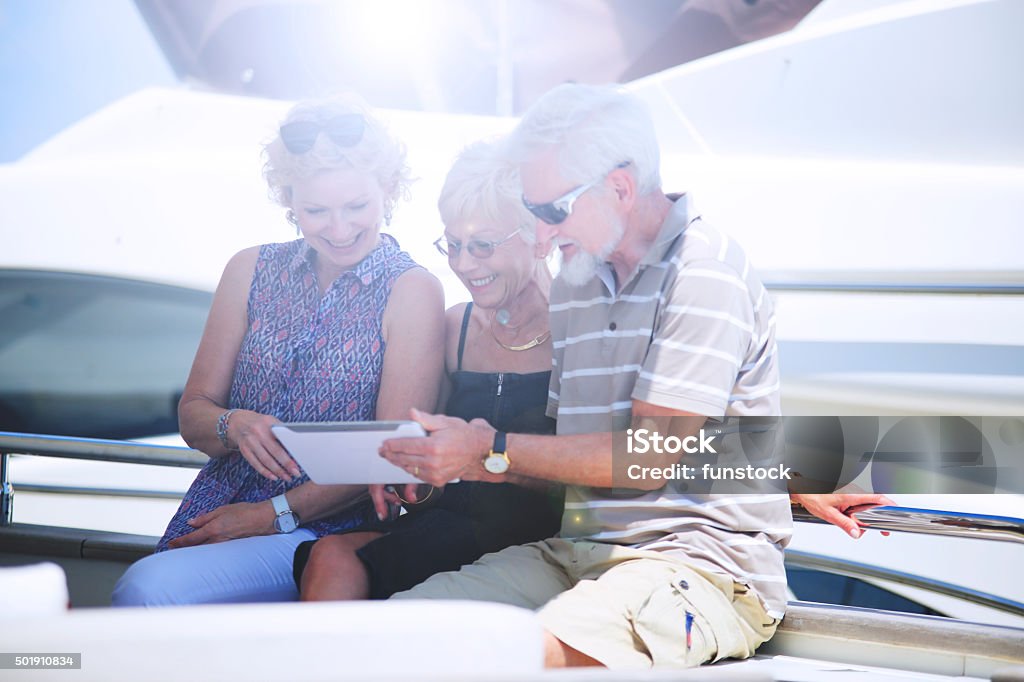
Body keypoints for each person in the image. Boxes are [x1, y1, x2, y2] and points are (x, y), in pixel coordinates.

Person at [379, 84, 887, 669]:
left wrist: (487, 451)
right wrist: (458, 459)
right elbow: (581, 452)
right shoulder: (575, 283)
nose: (542, 236)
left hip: (699, 570)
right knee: (394, 635)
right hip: (578, 552)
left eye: (551, 212)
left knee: (511, 657)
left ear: (620, 187)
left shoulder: (704, 271)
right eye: (531, 212)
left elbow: (649, 456)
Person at [112, 95, 445, 606]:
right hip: (217, 507)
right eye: (316, 210)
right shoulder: (248, 269)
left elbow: (390, 455)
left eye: (356, 206)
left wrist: (272, 514)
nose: (339, 228)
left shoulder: (412, 288)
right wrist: (234, 424)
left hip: (325, 532)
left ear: (390, 190)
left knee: (148, 591)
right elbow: (193, 416)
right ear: (288, 200)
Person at [296, 139, 564, 601]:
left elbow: (609, 467)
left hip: (534, 547)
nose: (463, 264)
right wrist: (404, 476)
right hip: (444, 530)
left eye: (482, 246)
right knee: (330, 556)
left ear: (539, 235)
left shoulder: (581, 333)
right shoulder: (456, 326)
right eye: (453, 245)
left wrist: (487, 457)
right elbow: (417, 452)